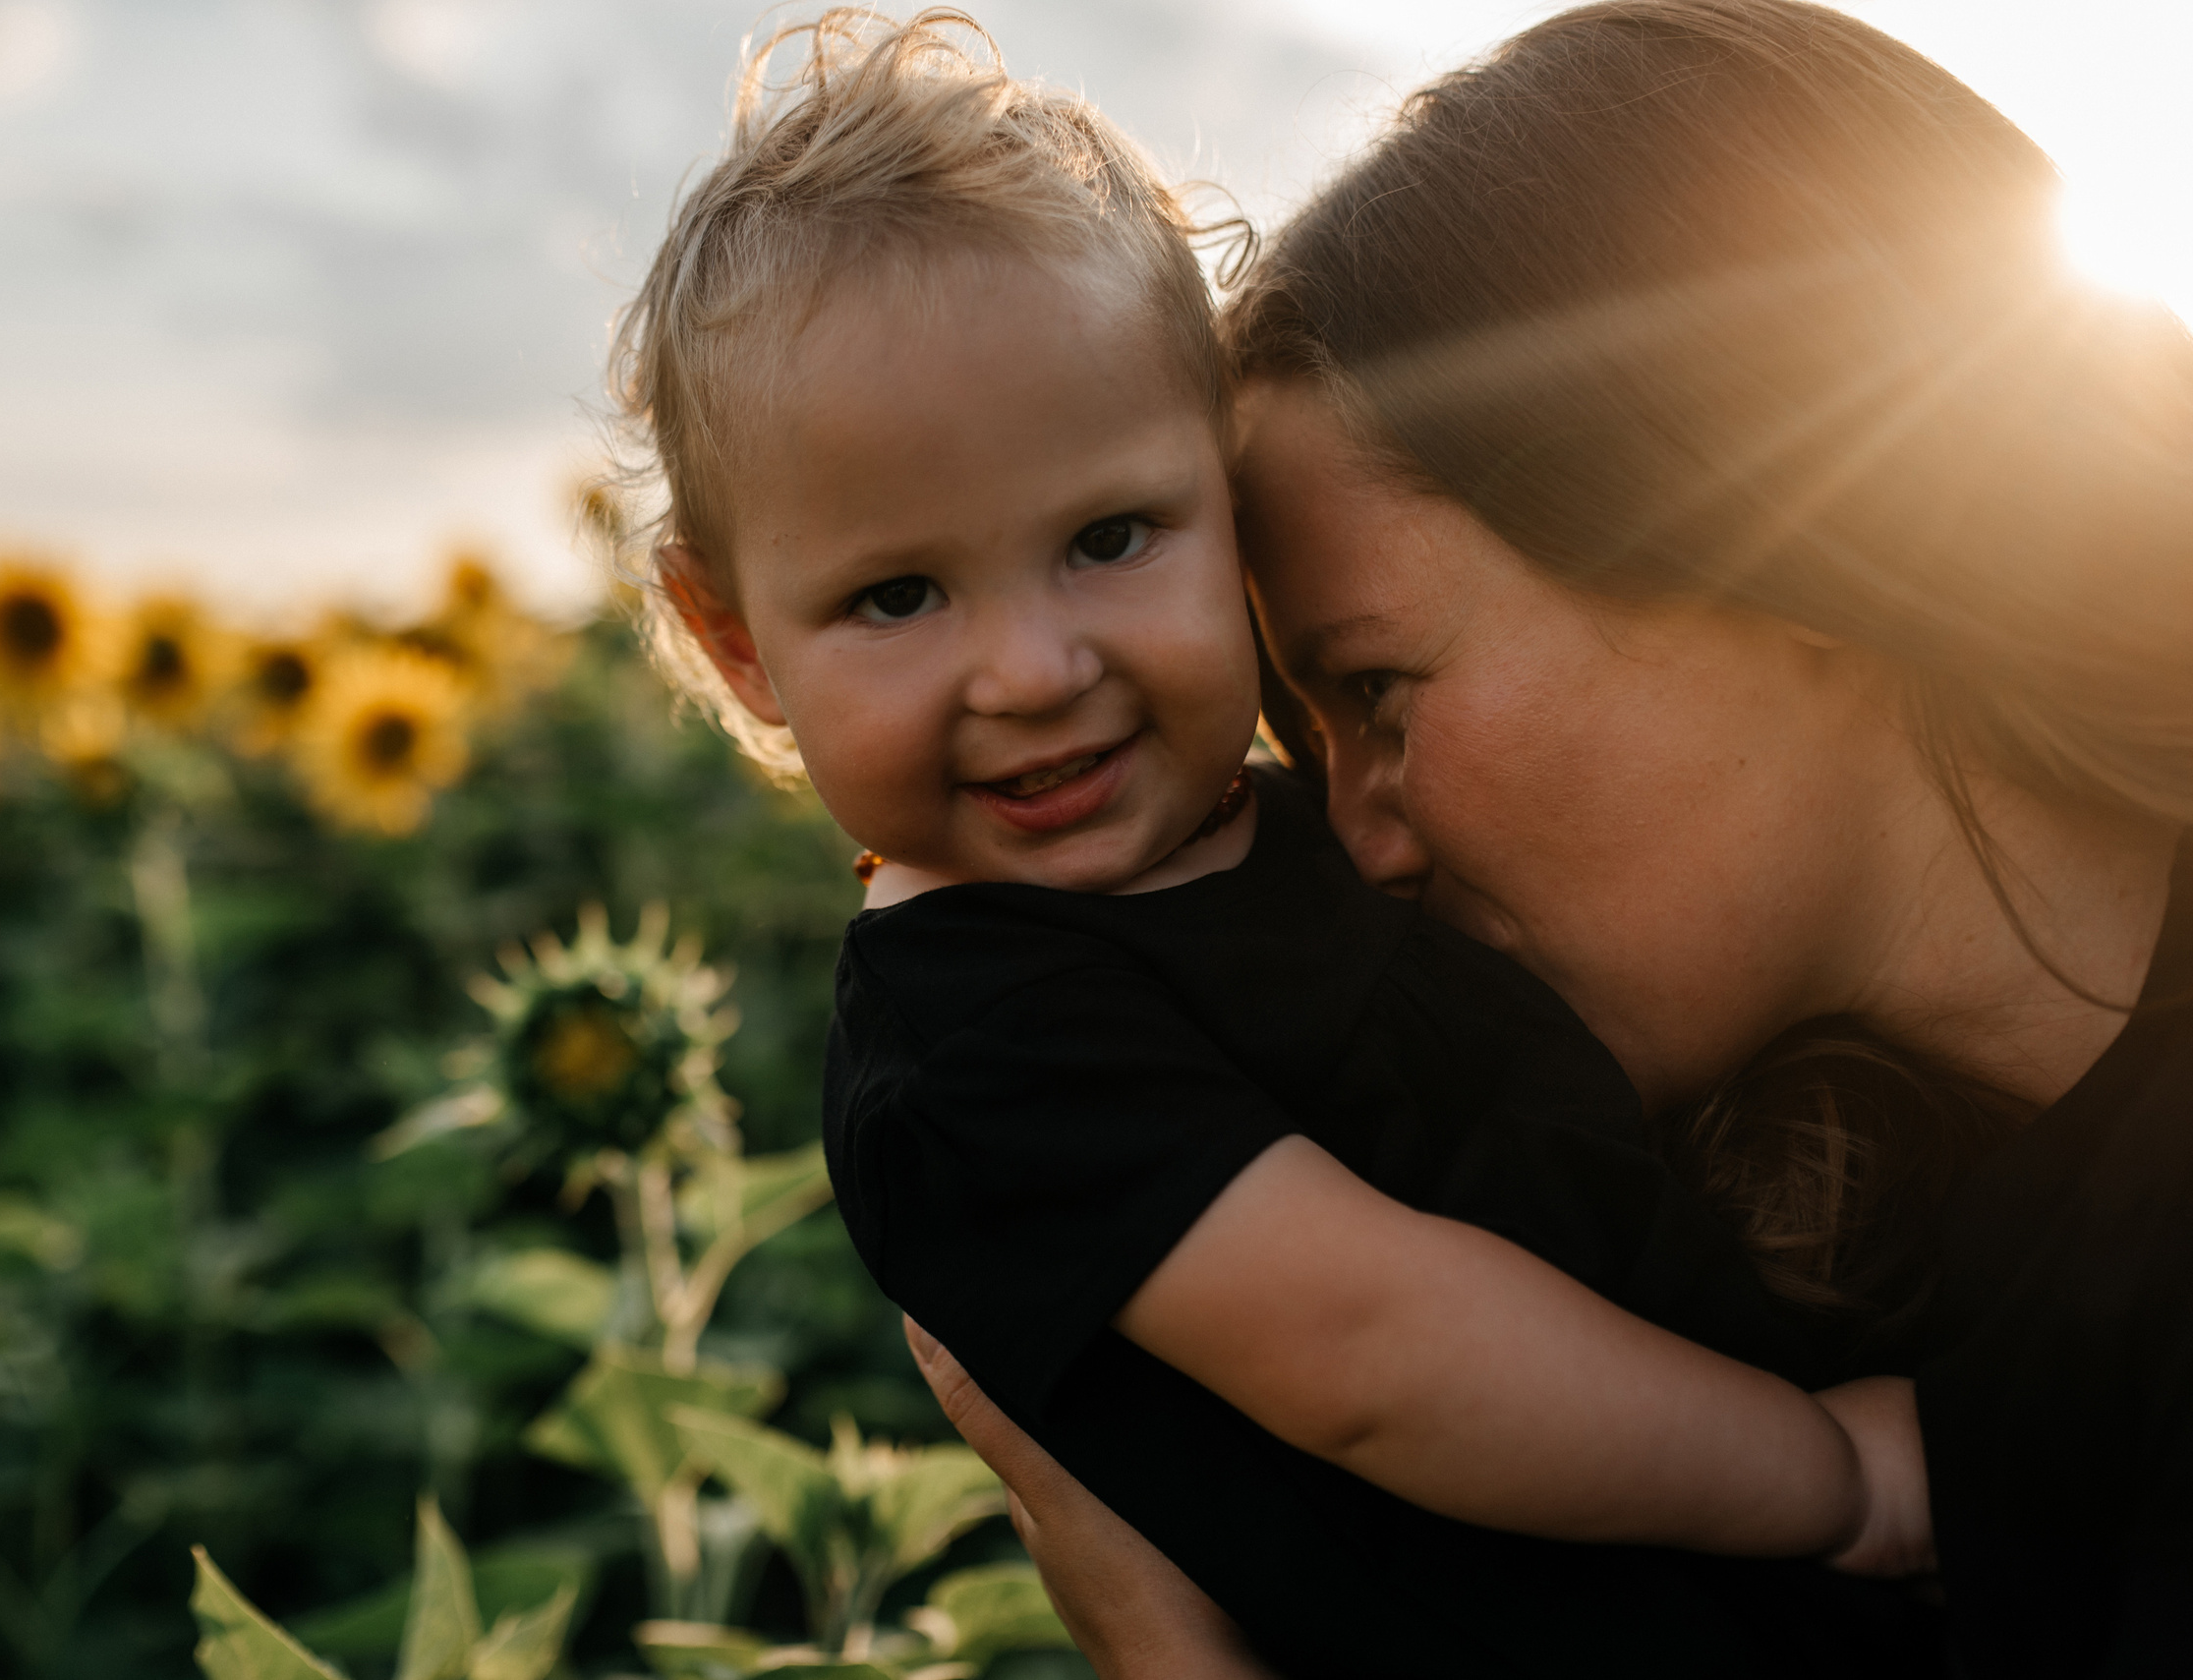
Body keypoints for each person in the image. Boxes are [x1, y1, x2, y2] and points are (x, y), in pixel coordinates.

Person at [606, 9, 1948, 1674]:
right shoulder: (980, 1042)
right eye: (898, 594)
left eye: (1108, 537)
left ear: (1228, 504)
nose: (1035, 669)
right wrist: (1825, 1480)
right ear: (736, 639)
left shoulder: (1292, 836)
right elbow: (1377, 1351)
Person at [914, 2, 2193, 1675]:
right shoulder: (1678, 1288)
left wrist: (1154, 1619)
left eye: (1378, 691)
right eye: (1306, 738)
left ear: (1760, 533)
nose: (1363, 838)